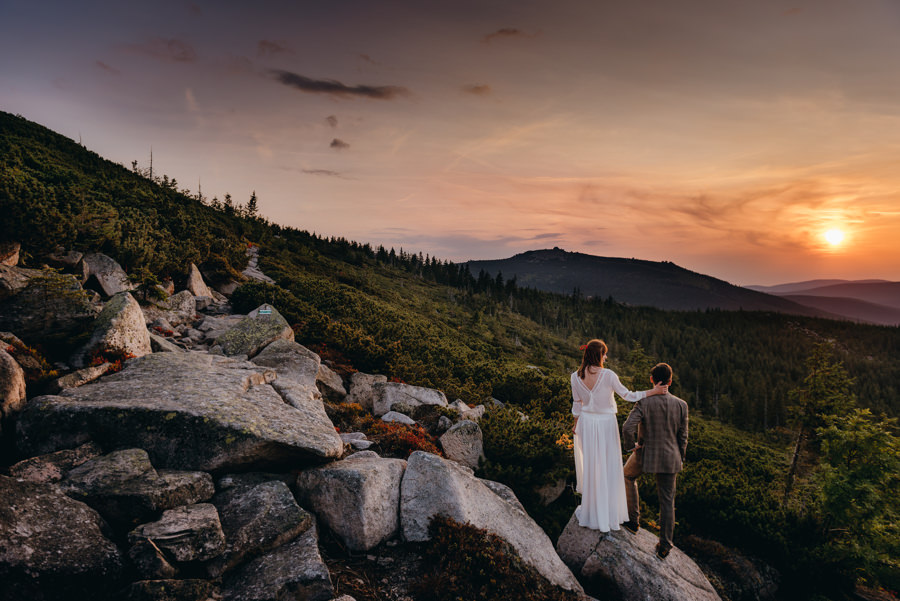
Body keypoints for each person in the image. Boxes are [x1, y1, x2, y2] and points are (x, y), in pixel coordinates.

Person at [571, 339, 668, 532]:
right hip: (606, 424)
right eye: (604, 354)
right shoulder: (608, 375)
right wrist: (653, 391)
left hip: (586, 423)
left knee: (592, 466)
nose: (606, 357)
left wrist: (575, 424)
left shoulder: (575, 376)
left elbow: (577, 403)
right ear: (599, 355)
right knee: (608, 467)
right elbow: (628, 395)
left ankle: (592, 511)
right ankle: (608, 513)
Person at [621, 362, 689, 560]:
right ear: (670, 381)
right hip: (670, 458)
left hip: (645, 454)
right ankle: (665, 546)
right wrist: (680, 457)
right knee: (667, 500)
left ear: (652, 379)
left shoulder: (644, 402)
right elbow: (683, 437)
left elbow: (627, 427)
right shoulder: (681, 405)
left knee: (627, 476)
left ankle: (633, 521)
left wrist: (631, 446)